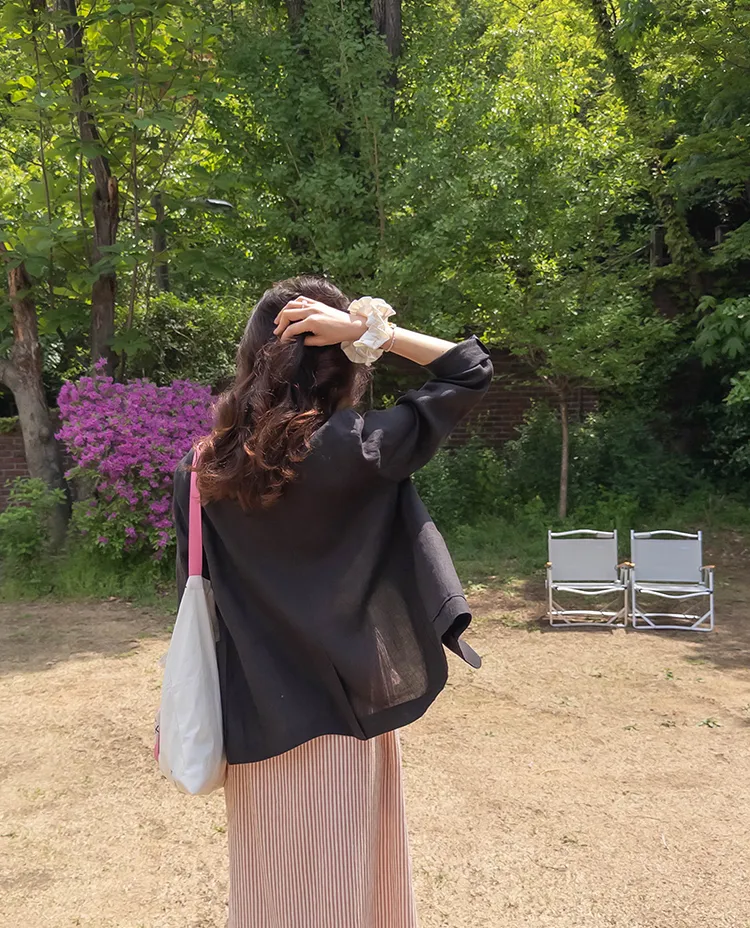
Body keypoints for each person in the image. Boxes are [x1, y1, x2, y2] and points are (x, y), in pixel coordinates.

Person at [173, 275, 493, 928]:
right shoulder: (364, 448)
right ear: (341, 361)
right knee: (357, 894)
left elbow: (201, 595)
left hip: (258, 721)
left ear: (252, 357)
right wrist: (372, 332)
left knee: (270, 897)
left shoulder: (204, 471)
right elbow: (469, 369)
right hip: (352, 717)